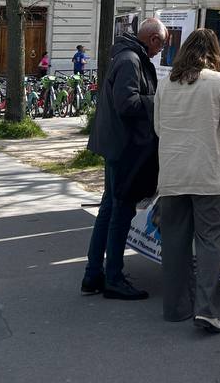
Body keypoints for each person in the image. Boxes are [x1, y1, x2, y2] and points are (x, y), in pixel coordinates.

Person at [155, 28, 220, 333]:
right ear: (214, 52)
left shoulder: (166, 84)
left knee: (175, 243)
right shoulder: (218, 81)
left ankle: (175, 307)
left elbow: (158, 129)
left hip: (173, 174)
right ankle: (204, 308)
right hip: (207, 175)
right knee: (208, 242)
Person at [83, 17, 166, 301]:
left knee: (109, 208)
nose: (160, 51)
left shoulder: (127, 55)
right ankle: (114, 277)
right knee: (120, 211)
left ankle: (94, 273)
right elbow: (127, 103)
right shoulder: (131, 60)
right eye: (161, 45)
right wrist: (159, 100)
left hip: (116, 144)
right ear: (152, 39)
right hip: (124, 148)